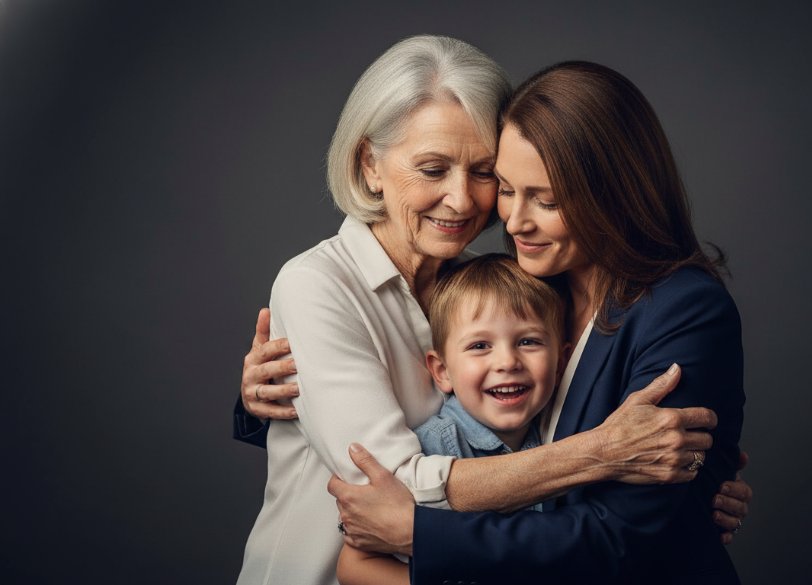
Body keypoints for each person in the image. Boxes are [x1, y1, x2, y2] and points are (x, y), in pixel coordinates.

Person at [233, 36, 750, 585]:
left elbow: (601, 495)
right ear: (370, 164)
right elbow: (396, 483)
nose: (465, 201)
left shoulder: (499, 283)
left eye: (484, 174)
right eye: (433, 169)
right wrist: (601, 454)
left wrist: (699, 490)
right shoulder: (318, 283)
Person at [337, 253, 569, 585]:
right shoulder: (429, 450)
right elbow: (353, 566)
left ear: (560, 364)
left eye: (527, 341)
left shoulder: (558, 431)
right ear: (443, 372)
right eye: (480, 346)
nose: (507, 361)